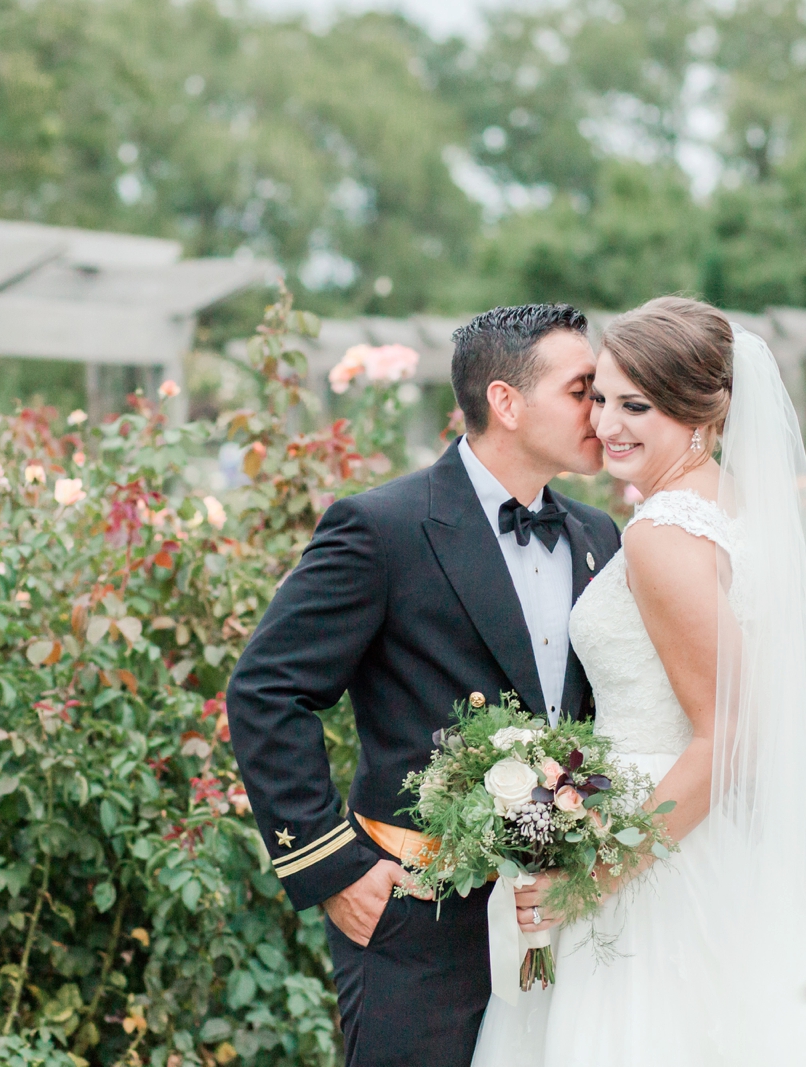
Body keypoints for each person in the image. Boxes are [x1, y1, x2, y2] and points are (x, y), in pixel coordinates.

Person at [474, 297, 806, 1066]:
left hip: (655, 862)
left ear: (699, 412)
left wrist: (588, 882)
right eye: (599, 398)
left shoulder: (664, 534)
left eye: (638, 405)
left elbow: (730, 732)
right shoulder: (731, 508)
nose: (607, 424)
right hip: (714, 841)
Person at [226, 304, 622, 1067]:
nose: (600, 412)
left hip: (556, 913)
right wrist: (331, 865)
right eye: (582, 391)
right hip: (415, 914)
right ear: (506, 402)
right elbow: (267, 689)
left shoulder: (597, 536)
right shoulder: (382, 528)